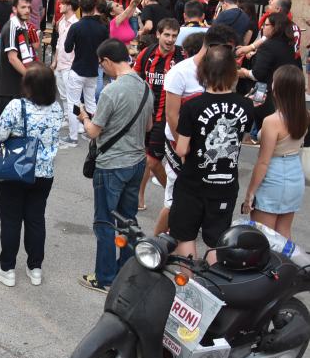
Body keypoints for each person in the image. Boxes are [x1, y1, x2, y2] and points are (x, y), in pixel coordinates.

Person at [77, 39, 153, 293]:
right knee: (128, 220)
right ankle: (126, 273)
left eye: (102, 65)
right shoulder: (145, 87)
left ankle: (105, 278)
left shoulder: (111, 91)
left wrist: (85, 118)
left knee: (105, 222)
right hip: (137, 162)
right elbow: (150, 126)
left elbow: (93, 132)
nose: (102, 69)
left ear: (107, 61)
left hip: (111, 165)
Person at [172, 45, 253, 262]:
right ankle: (213, 289)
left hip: (192, 185)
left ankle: (187, 286)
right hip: (226, 185)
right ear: (231, 71)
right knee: (216, 241)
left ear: (204, 71)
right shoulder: (246, 105)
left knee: (186, 236)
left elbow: (181, 149)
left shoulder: (192, 106)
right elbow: (241, 137)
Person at [0, 63, 63, 288]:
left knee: (11, 220)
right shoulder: (57, 109)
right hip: (44, 173)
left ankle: (7, 268)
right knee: (35, 219)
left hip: (14, 171)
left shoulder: (16, 106)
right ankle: (35, 268)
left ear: (28, 86)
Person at [242, 65, 308, 239]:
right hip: (295, 173)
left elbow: (263, 162)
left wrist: (250, 194)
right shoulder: (304, 115)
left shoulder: (272, 121)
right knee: (283, 233)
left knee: (263, 236)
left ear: (278, 88)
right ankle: (286, 267)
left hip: (274, 176)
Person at [133, 18, 183, 211]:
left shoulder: (181, 58)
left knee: (152, 161)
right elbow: (135, 78)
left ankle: (176, 197)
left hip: (166, 117)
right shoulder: (146, 54)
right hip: (145, 115)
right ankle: (139, 194)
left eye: (174, 35)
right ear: (158, 34)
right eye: (167, 35)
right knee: (144, 156)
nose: (170, 39)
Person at [239, 12, 303, 131]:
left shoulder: (268, 45)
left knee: (265, 129)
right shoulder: (289, 44)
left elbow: (257, 74)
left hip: (267, 93)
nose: (263, 27)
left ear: (275, 27)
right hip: (284, 94)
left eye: (266, 24)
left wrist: (244, 72)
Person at [62, 0, 109, 148]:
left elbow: (67, 48)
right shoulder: (102, 27)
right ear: (95, 7)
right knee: (91, 102)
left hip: (77, 68)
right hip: (93, 70)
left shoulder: (76, 27)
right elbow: (105, 49)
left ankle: (73, 136)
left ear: (81, 8)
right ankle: (92, 134)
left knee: (73, 103)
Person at [0, 0, 40, 118]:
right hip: (9, 88)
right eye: (23, 7)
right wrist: (29, 76)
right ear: (14, 9)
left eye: (28, 7)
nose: (27, 11)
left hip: (18, 86)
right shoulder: (12, 27)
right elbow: (12, 58)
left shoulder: (24, 26)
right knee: (5, 128)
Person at [52, 0, 79, 145]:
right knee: (62, 95)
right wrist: (55, 61)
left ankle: (77, 125)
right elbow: (58, 44)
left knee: (72, 99)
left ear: (69, 6)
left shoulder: (76, 24)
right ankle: (68, 119)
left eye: (62, 4)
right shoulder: (62, 22)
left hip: (70, 65)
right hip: (60, 63)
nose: (60, 6)